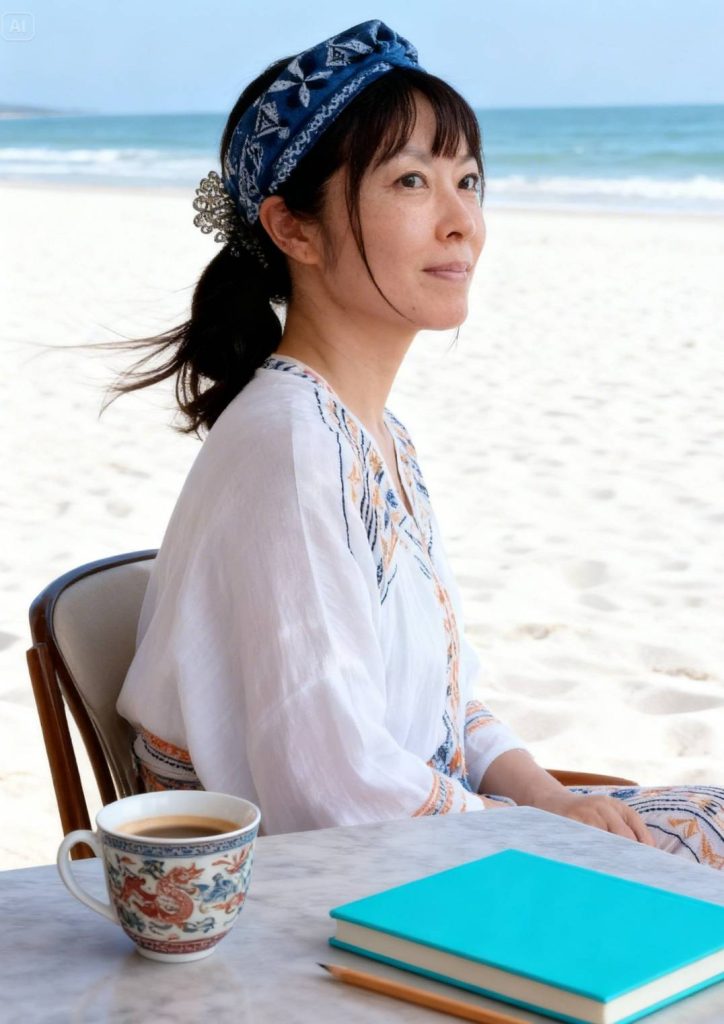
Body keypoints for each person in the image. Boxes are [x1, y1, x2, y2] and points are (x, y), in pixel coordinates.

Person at [115, 20, 723, 868]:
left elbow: (449, 701)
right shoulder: (290, 447)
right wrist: (539, 831)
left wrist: (549, 797)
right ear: (294, 230)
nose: (462, 221)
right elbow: (332, 786)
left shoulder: (372, 434)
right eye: (411, 181)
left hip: (424, 841)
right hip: (336, 886)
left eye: (468, 180)